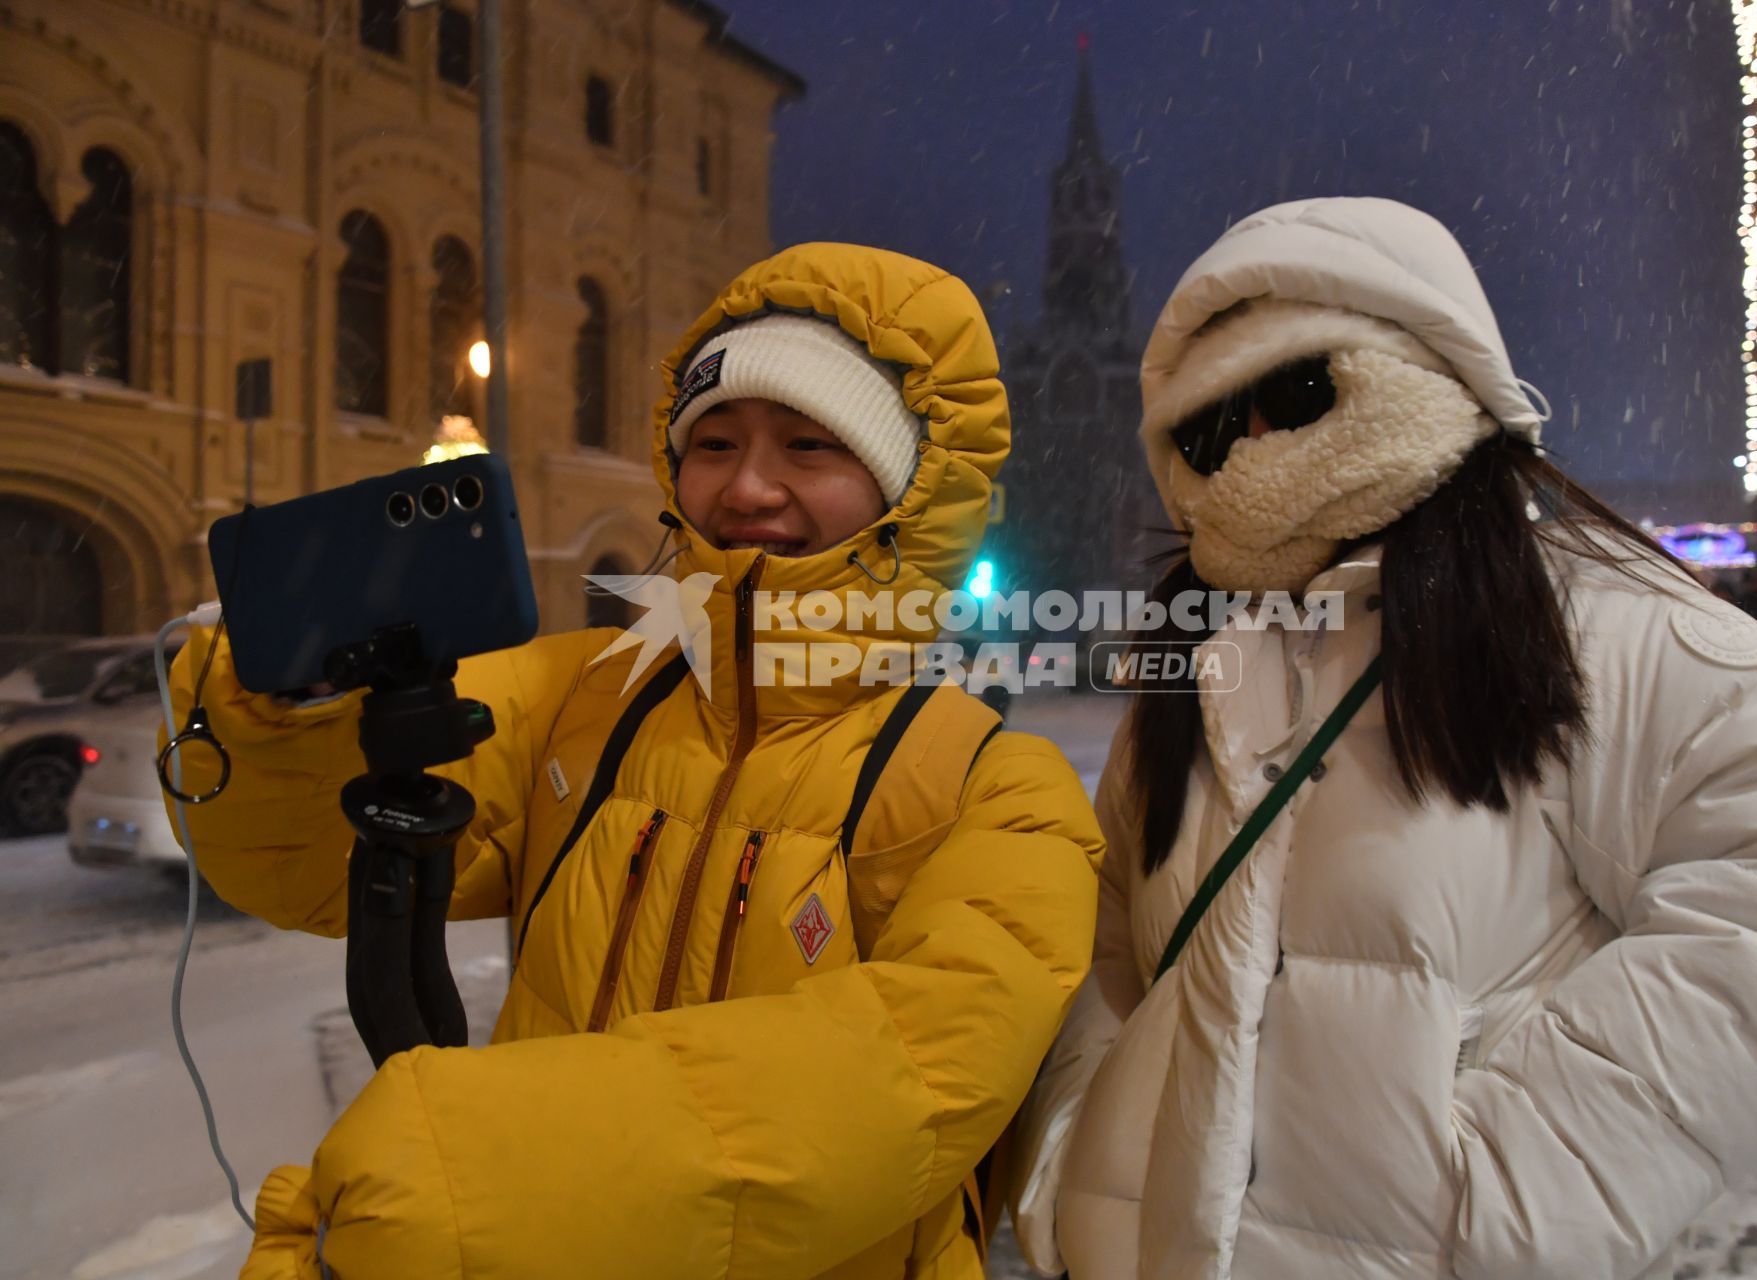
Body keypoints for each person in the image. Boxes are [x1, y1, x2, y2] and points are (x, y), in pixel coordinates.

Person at [166, 243, 1103, 1278]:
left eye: (807, 444)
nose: (749, 485)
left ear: (907, 488)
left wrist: (490, 1168)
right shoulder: (584, 696)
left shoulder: (997, 792)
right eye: (714, 440)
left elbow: (903, 1084)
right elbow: (297, 865)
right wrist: (278, 704)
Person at [1007, 198, 1757, 1279]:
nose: (1247, 449)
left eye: (1296, 391)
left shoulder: (1616, 626)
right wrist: (1074, 1150)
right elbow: (1114, 948)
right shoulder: (1202, 653)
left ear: (1425, 372)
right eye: (1206, 427)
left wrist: (1514, 1199)